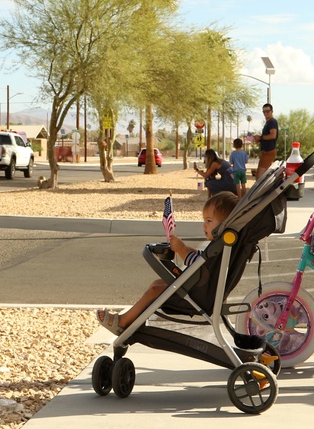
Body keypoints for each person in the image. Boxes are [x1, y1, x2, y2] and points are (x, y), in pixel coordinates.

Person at [96, 192, 238, 334]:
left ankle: (123, 321)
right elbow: (205, 260)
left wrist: (182, 249)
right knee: (157, 284)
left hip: (200, 297)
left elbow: (200, 267)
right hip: (202, 291)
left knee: (155, 291)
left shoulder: (223, 246)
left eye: (209, 221)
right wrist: (186, 249)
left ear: (224, 224)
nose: (204, 225)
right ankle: (134, 320)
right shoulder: (223, 246)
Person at [255, 103, 278, 179]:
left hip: (269, 151)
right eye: (264, 112)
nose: (266, 113)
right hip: (265, 152)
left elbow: (273, 135)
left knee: (259, 177)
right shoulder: (268, 123)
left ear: (272, 111)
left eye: (267, 111)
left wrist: (261, 138)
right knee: (263, 176)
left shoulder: (272, 122)